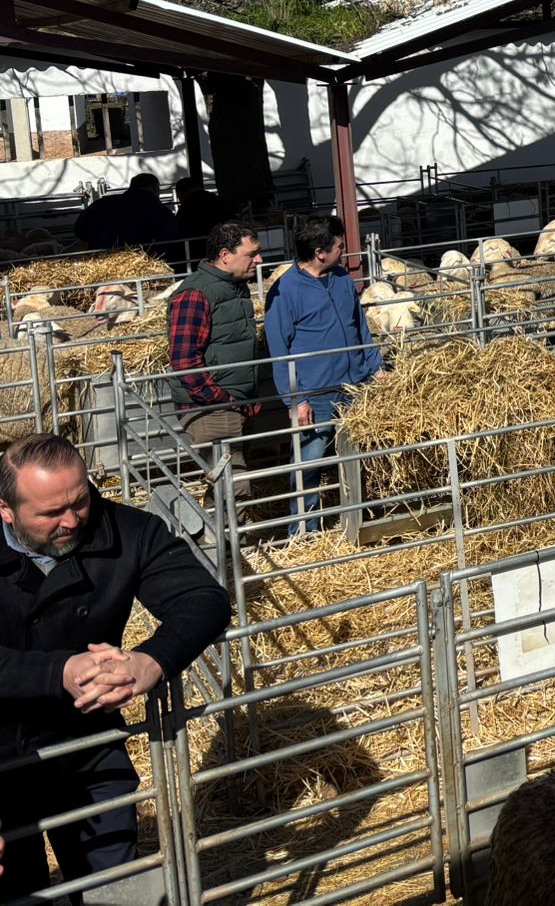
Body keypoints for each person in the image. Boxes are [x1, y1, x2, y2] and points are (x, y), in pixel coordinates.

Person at [0, 432, 230, 902]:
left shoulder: (128, 531)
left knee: (114, 889)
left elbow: (203, 598)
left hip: (87, 746)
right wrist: (61, 672)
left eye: (79, 500)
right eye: (49, 513)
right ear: (5, 510)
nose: (70, 521)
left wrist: (152, 659)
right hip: (1, 754)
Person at [263, 220, 385, 537]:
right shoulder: (284, 291)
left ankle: (366, 521)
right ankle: (304, 533)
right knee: (309, 462)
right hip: (316, 392)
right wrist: (296, 399)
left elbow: (360, 327)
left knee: (364, 456)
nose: (344, 252)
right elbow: (280, 351)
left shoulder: (343, 279)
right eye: (339, 247)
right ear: (320, 253)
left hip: (356, 384)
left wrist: (376, 367)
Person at [165, 221, 266, 502]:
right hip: (211, 408)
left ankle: (212, 541)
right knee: (235, 486)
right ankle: (235, 545)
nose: (259, 260)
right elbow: (184, 360)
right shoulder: (195, 295)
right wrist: (223, 399)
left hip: (234, 402)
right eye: (252, 254)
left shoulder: (235, 287)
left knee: (222, 484)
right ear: (225, 255)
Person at [73, 175, 179, 253]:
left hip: (104, 260)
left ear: (131, 186)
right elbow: (172, 239)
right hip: (146, 260)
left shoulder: (102, 204)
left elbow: (79, 230)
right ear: (156, 189)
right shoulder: (161, 211)